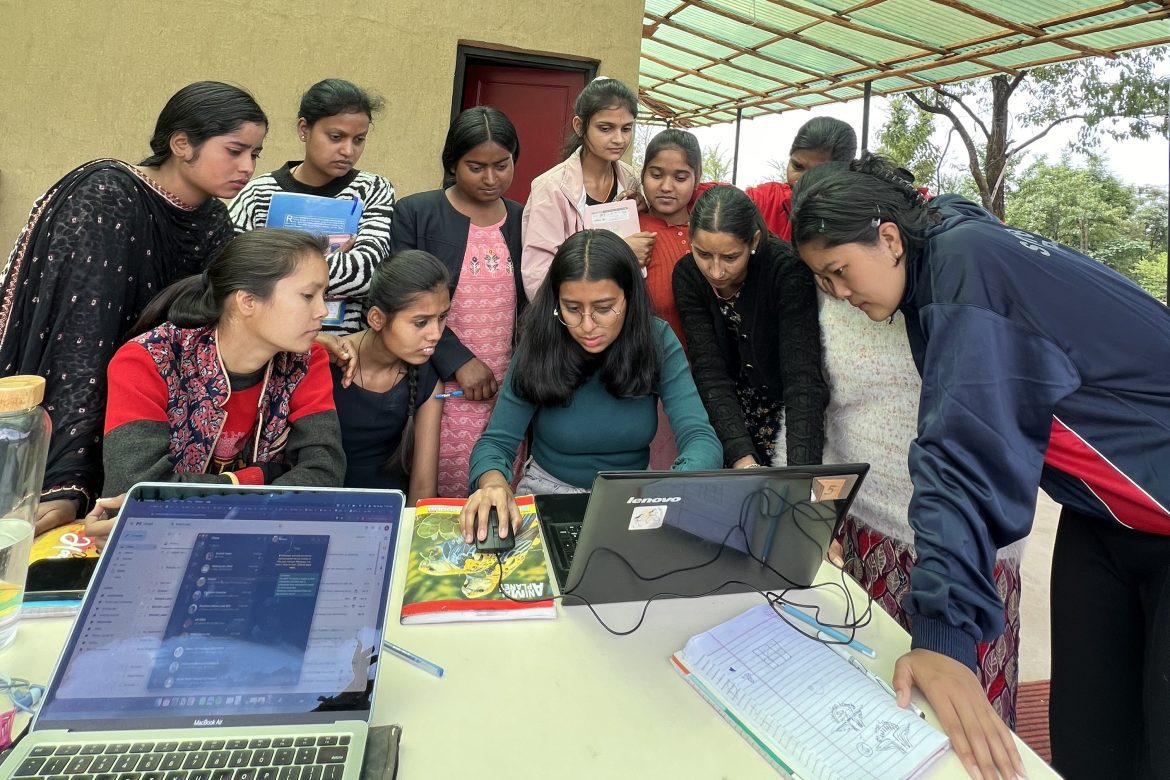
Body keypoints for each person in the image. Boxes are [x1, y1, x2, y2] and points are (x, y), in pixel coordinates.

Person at [790, 154, 1170, 780]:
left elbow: (963, 454)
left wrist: (942, 640)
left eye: (839, 271)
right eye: (823, 281)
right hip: (1098, 513)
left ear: (888, 238)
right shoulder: (938, 257)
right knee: (1088, 737)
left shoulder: (968, 269)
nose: (839, 294)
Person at [0, 81, 267, 534]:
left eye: (255, 154)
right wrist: (64, 481)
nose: (247, 167)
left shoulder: (214, 222)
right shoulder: (105, 194)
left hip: (143, 426)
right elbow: (78, 344)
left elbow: (234, 317)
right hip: (75, 428)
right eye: (235, 151)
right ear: (182, 144)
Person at [774, 293, 1026, 729]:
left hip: (966, 548)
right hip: (859, 533)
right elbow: (806, 403)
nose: (840, 287)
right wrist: (804, 509)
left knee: (958, 720)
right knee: (867, 708)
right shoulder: (824, 287)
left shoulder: (968, 285)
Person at [460, 230, 722, 540]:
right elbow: (495, 444)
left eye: (603, 308)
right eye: (571, 308)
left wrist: (673, 489)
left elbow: (701, 438)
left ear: (629, 298)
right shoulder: (541, 341)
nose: (586, 326)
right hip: (548, 495)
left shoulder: (657, 340)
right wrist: (493, 485)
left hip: (635, 497)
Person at [100, 228, 344, 502]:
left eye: (325, 296)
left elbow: (324, 473)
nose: (323, 311)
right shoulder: (147, 359)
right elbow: (134, 490)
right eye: (309, 296)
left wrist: (197, 496)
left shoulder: (308, 360)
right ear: (248, 301)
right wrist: (260, 476)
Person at [390, 107, 524, 497]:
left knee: (498, 483)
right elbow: (404, 298)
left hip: (505, 384)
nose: (490, 178)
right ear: (452, 164)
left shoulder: (522, 217)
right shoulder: (417, 213)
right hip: (436, 380)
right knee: (434, 484)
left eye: (502, 165)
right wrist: (459, 361)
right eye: (475, 166)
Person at [673, 186, 826, 469]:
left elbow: (802, 378)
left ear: (754, 240)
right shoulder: (688, 275)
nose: (716, 271)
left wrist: (801, 474)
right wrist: (741, 457)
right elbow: (709, 371)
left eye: (731, 257)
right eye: (703, 254)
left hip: (788, 413)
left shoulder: (785, 269)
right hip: (724, 410)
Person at [230, 78, 395, 335]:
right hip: (269, 344)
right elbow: (233, 273)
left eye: (359, 139)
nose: (348, 150)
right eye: (336, 137)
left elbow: (368, 273)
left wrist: (275, 267)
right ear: (304, 129)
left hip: (346, 349)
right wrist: (335, 255)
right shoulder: (257, 194)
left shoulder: (373, 189)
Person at [520, 77, 654, 300]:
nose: (619, 139)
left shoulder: (630, 179)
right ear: (579, 126)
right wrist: (620, 253)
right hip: (574, 322)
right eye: (606, 128)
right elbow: (538, 279)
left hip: (622, 314)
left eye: (626, 128)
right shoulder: (551, 188)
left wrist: (646, 207)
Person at [329, 250, 447, 501]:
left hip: (391, 509)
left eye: (442, 317)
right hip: (321, 505)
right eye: (420, 322)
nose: (436, 334)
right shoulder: (327, 360)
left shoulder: (427, 377)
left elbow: (423, 486)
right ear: (377, 318)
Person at [638, 128, 702, 345]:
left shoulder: (710, 232)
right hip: (646, 364)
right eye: (656, 175)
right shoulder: (630, 230)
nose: (666, 187)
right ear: (642, 175)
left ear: (697, 179)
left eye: (680, 177)